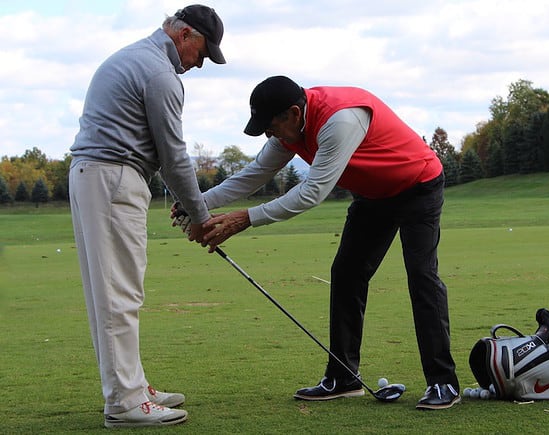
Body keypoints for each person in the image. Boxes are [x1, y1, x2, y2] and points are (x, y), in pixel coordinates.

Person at [179, 75, 461, 410]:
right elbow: (254, 174)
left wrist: (245, 219)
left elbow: (312, 192)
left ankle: (443, 382)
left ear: (294, 114)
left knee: (421, 276)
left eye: (271, 127)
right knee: (347, 274)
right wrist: (197, 204)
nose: (270, 136)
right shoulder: (290, 131)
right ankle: (343, 378)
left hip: (419, 185)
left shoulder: (340, 120)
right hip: (374, 197)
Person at [68, 5, 225, 428]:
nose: (199, 64)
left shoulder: (136, 56)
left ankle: (131, 387)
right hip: (113, 177)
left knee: (113, 292)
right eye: (203, 53)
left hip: (94, 174)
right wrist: (201, 217)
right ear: (185, 36)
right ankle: (125, 402)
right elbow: (175, 159)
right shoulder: (159, 74)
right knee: (120, 294)